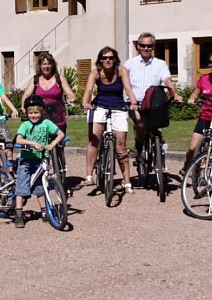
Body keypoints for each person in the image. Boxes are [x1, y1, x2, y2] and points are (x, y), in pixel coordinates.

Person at [81, 47, 138, 193]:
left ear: (115, 59)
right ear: (100, 59)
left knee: (121, 145)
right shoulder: (95, 73)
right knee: (94, 139)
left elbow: (128, 88)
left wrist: (133, 103)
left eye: (111, 58)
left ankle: (127, 181)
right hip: (99, 106)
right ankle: (89, 175)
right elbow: (88, 90)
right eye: (105, 58)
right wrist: (86, 102)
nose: (108, 60)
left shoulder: (121, 70)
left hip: (118, 107)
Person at [20, 51, 76, 194]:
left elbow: (69, 92)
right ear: (40, 65)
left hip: (57, 117)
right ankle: (45, 177)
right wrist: (23, 105)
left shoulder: (59, 78)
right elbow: (26, 94)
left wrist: (71, 97)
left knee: (58, 146)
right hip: (41, 118)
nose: (46, 66)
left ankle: (61, 173)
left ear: (52, 64)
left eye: (49, 63)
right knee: (43, 146)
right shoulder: (35, 80)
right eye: (44, 63)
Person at [123, 32, 183, 163]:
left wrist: (174, 93)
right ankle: (139, 144)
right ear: (138, 46)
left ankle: (158, 141)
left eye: (149, 46)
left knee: (157, 124)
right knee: (140, 122)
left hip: (154, 103)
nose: (145, 48)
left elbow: (167, 80)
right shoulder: (129, 64)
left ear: (153, 47)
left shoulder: (160, 64)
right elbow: (123, 82)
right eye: (142, 45)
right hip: (135, 103)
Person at [13, 94, 66, 229]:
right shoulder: (25, 125)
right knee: (22, 186)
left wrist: (52, 144)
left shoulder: (47, 123)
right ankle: (19, 212)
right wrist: (32, 144)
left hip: (41, 159)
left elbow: (61, 134)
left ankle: (44, 211)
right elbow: (18, 139)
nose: (33, 115)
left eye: (36, 112)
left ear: (42, 112)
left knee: (40, 187)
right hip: (27, 160)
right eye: (31, 113)